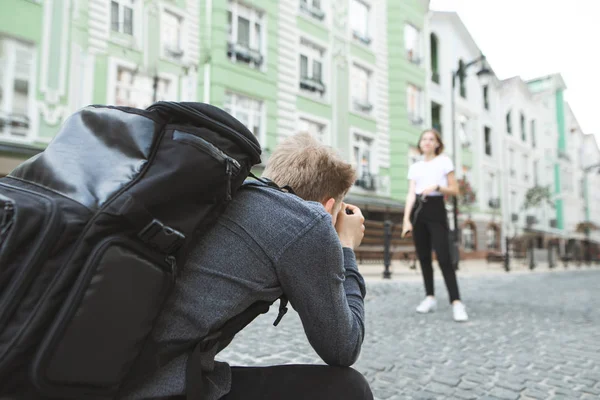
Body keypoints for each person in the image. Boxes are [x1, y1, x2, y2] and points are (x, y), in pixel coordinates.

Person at [123, 132, 373, 400]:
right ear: (329, 205)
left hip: (118, 370)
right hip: (156, 388)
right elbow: (343, 347)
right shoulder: (307, 221)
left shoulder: (234, 195)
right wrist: (345, 246)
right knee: (349, 389)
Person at [401, 129, 468, 322]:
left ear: (437, 144)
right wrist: (406, 219)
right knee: (423, 257)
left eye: (431, 139)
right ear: (420, 143)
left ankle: (456, 302)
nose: (427, 142)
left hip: (436, 208)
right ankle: (429, 297)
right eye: (424, 139)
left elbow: (455, 190)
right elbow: (411, 194)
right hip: (418, 211)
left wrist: (438, 187)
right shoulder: (415, 166)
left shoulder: (444, 161)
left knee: (444, 257)